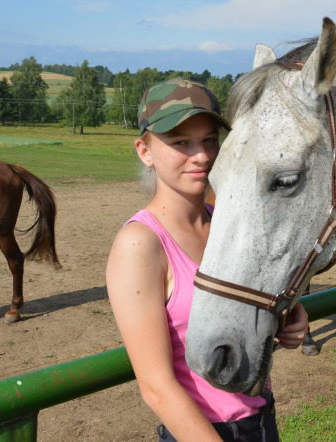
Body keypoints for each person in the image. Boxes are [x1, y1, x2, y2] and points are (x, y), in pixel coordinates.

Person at [106, 78, 309, 441]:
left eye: (210, 140)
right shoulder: (141, 245)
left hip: (261, 420)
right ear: (145, 151)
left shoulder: (227, 224)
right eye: (181, 143)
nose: (201, 155)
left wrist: (287, 314)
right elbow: (156, 386)